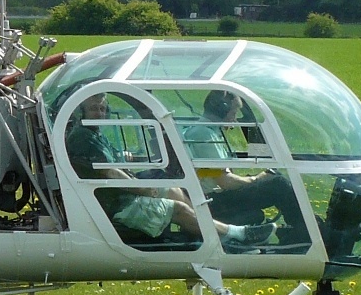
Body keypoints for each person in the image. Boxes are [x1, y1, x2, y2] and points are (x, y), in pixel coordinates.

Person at [64, 92, 263, 246]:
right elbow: (109, 172)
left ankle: (214, 232)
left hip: (120, 193)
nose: (99, 113)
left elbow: (106, 164)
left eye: (102, 109)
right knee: (179, 209)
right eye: (93, 109)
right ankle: (233, 234)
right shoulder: (83, 136)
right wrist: (255, 180)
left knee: (174, 190)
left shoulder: (94, 135)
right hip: (117, 203)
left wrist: (124, 157)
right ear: (81, 112)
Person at [191, 90, 305, 233]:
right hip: (214, 201)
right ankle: (303, 232)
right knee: (278, 185)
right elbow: (224, 181)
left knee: (274, 180)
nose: (235, 119)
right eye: (234, 112)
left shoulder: (206, 132)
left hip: (215, 196)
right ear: (222, 109)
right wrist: (255, 179)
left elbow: (214, 174)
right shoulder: (204, 135)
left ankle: (299, 229)